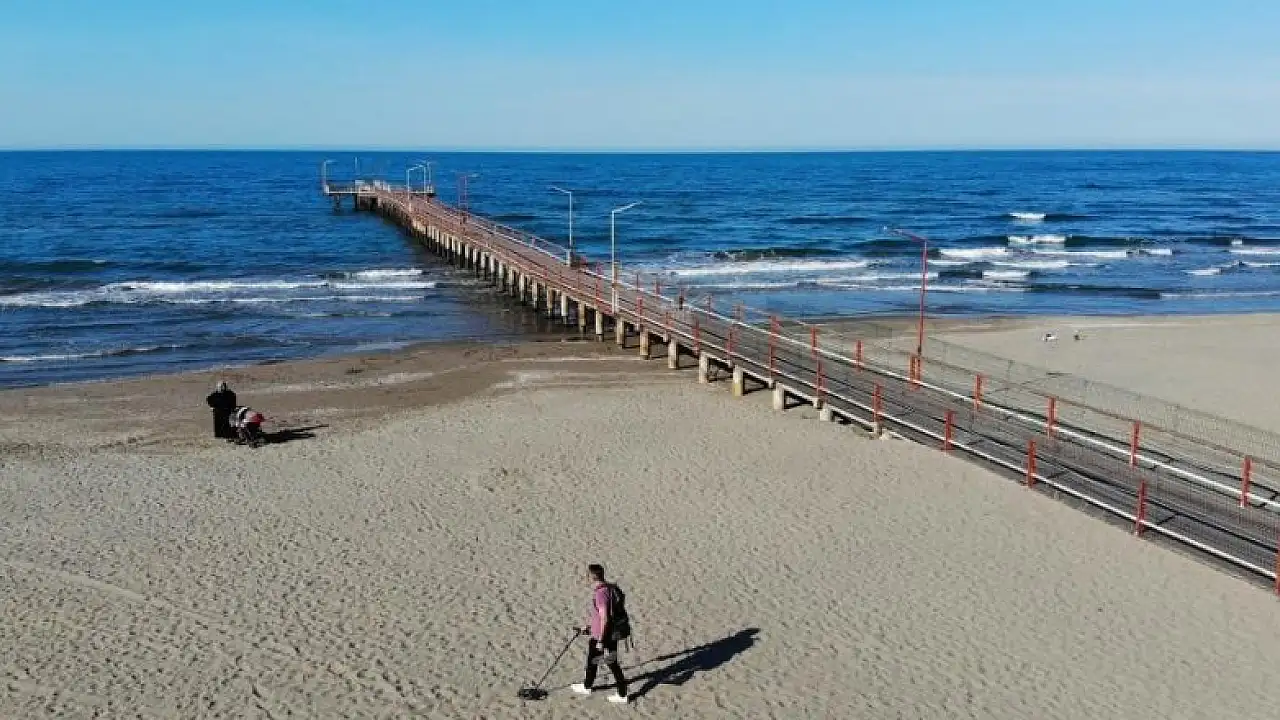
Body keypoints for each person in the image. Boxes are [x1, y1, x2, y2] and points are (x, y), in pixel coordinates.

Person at [570, 564, 629, 704]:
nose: (586, 578)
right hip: (607, 633)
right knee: (594, 661)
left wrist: (601, 640)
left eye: (587, 575)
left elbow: (605, 618)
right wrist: (590, 627)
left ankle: (622, 694)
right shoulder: (610, 588)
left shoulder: (601, 594)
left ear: (592, 577)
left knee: (611, 663)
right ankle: (588, 685)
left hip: (603, 636)